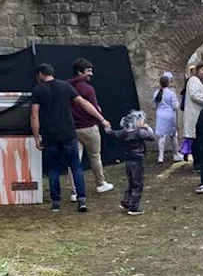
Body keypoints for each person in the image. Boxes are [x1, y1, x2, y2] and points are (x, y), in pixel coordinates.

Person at [30, 63, 112, 213]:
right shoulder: (65, 87)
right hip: (68, 132)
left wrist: (36, 137)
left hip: (50, 134)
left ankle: (56, 202)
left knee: (54, 169)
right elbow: (83, 103)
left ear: (41, 74)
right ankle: (81, 200)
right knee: (76, 166)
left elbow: (34, 115)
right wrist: (101, 119)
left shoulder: (38, 90)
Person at [68, 58, 115, 197]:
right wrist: (102, 119)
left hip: (73, 129)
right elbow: (92, 108)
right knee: (95, 156)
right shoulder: (87, 89)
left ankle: (75, 191)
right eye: (88, 71)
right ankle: (100, 183)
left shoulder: (67, 87)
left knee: (75, 160)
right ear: (79, 72)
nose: (91, 74)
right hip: (88, 128)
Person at [116, 110, 156, 215]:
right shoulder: (139, 132)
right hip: (137, 159)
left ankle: (126, 201)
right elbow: (152, 137)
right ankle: (134, 206)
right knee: (138, 183)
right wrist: (146, 127)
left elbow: (113, 133)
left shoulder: (125, 132)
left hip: (128, 159)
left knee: (131, 182)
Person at [181, 63, 203, 159]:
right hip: (194, 113)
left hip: (197, 112)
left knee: (197, 138)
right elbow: (195, 95)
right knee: (196, 138)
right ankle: (197, 161)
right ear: (197, 70)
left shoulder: (198, 81)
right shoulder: (193, 80)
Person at [153, 73, 182, 163]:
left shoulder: (156, 93)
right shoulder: (171, 94)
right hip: (169, 115)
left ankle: (160, 156)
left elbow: (154, 105)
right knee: (173, 135)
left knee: (162, 136)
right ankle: (176, 154)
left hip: (160, 114)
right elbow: (175, 106)